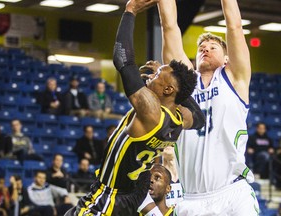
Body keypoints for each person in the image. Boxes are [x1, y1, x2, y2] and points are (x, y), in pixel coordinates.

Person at [65, 0, 203, 215]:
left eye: (157, 76)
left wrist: (130, 11)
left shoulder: (150, 111)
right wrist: (177, 89)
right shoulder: (180, 120)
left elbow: (123, 61)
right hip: (134, 196)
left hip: (109, 197)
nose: (151, 75)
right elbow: (199, 117)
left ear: (168, 90)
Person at [157, 0, 260, 214]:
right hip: (191, 199)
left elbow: (234, 26)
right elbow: (169, 28)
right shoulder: (183, 85)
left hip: (232, 193)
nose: (205, 50)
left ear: (226, 59)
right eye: (201, 48)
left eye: (213, 48)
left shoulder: (234, 78)